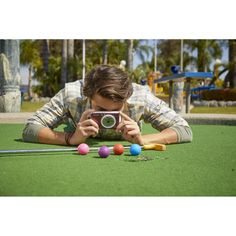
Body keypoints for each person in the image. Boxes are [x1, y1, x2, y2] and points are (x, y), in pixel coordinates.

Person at [22, 65, 192, 146]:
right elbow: (31, 128)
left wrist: (143, 140)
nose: (108, 116)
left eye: (116, 110)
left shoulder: (141, 96)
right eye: (101, 110)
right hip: (77, 137)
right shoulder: (72, 94)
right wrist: (70, 139)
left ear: (127, 98)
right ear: (87, 95)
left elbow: (184, 130)